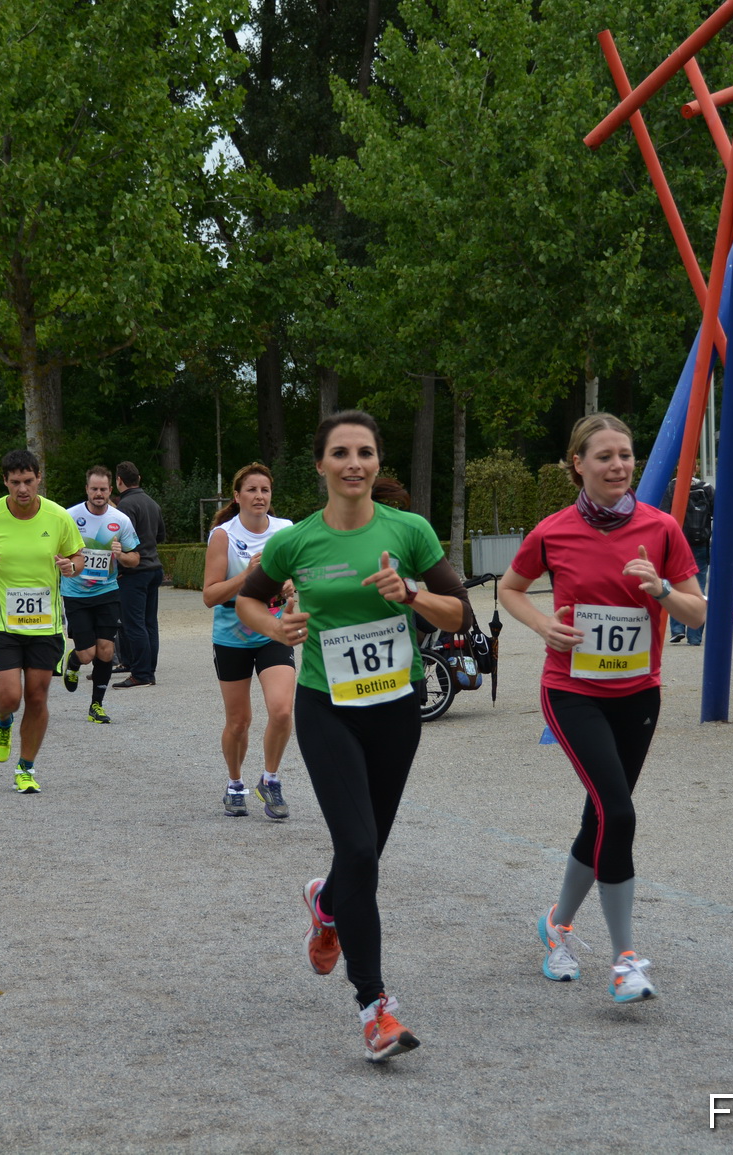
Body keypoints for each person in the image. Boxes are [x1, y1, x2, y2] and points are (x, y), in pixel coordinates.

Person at [235, 411, 471, 1063]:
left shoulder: (410, 531)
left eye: (365, 451)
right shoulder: (296, 542)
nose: (353, 463)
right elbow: (247, 602)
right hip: (325, 704)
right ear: (320, 465)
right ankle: (376, 1009)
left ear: (376, 460)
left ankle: (326, 899)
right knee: (360, 847)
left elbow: (460, 613)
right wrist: (276, 628)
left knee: (364, 856)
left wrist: (414, 591)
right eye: (340, 452)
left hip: (397, 708)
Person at [498, 413, 704, 1005]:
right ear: (578, 466)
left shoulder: (661, 528)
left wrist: (660, 590)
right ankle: (624, 958)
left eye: (626, 454)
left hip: (639, 694)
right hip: (571, 691)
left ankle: (557, 926)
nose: (619, 465)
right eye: (605, 456)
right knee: (620, 811)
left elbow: (699, 613)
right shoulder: (553, 531)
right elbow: (511, 588)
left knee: (602, 817)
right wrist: (544, 625)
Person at [0, 450, 85, 794]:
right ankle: (2, 721)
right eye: (15, 482)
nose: (23, 489)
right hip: (2, 621)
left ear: (38, 478)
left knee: (38, 696)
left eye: (28, 481)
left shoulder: (59, 517)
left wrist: (72, 567)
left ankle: (26, 767)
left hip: (45, 624)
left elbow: (78, 555)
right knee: (11, 696)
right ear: (5, 482)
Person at [202, 462, 294, 819]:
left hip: (273, 632)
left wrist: (291, 586)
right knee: (239, 722)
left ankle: (270, 780)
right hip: (232, 637)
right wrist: (248, 576)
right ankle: (234, 783)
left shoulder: (286, 531)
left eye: (265, 490)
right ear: (237, 496)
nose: (259, 496)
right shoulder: (223, 535)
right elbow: (210, 595)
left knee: (283, 710)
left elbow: (300, 577)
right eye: (252, 490)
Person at [60, 466, 140, 724]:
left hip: (107, 592)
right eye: (94, 489)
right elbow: (55, 551)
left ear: (110, 490)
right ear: (87, 489)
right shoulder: (69, 517)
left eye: (103, 489)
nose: (98, 493)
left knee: (106, 652)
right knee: (87, 654)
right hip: (76, 593)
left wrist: (121, 554)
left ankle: (97, 706)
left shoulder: (121, 520)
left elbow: (135, 558)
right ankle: (72, 661)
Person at [112, 461, 163, 688]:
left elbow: (123, 541)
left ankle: (141, 673)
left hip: (135, 571)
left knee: (134, 624)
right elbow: (161, 536)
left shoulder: (125, 506)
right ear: (139, 478)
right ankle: (148, 669)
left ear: (119, 481)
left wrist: (121, 568)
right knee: (150, 622)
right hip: (154, 568)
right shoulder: (152, 503)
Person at [669, 475, 714, 647]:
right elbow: (719, 511)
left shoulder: (672, 488)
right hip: (699, 543)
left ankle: (677, 629)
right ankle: (695, 636)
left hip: (678, 544)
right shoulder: (707, 488)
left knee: (676, 585)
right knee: (699, 587)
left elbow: (663, 512)